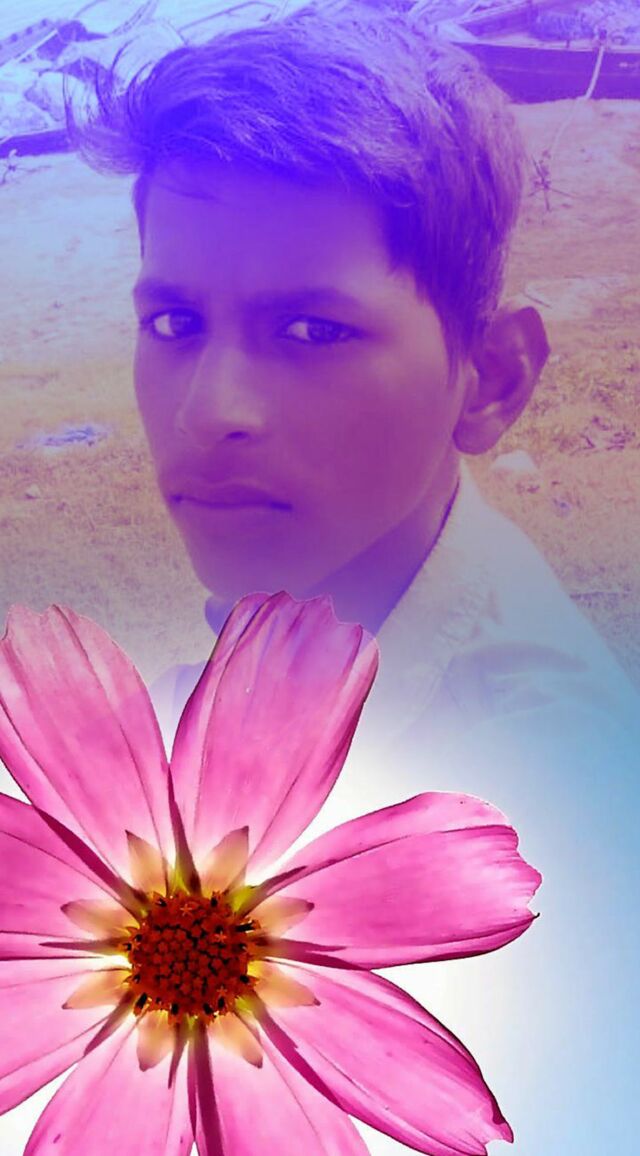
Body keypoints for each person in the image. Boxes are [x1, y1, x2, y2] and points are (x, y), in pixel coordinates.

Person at [55, 3, 638, 1154]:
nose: (209, 411)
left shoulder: (549, 814)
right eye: (172, 321)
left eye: (311, 332)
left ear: (492, 380)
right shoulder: (308, 632)